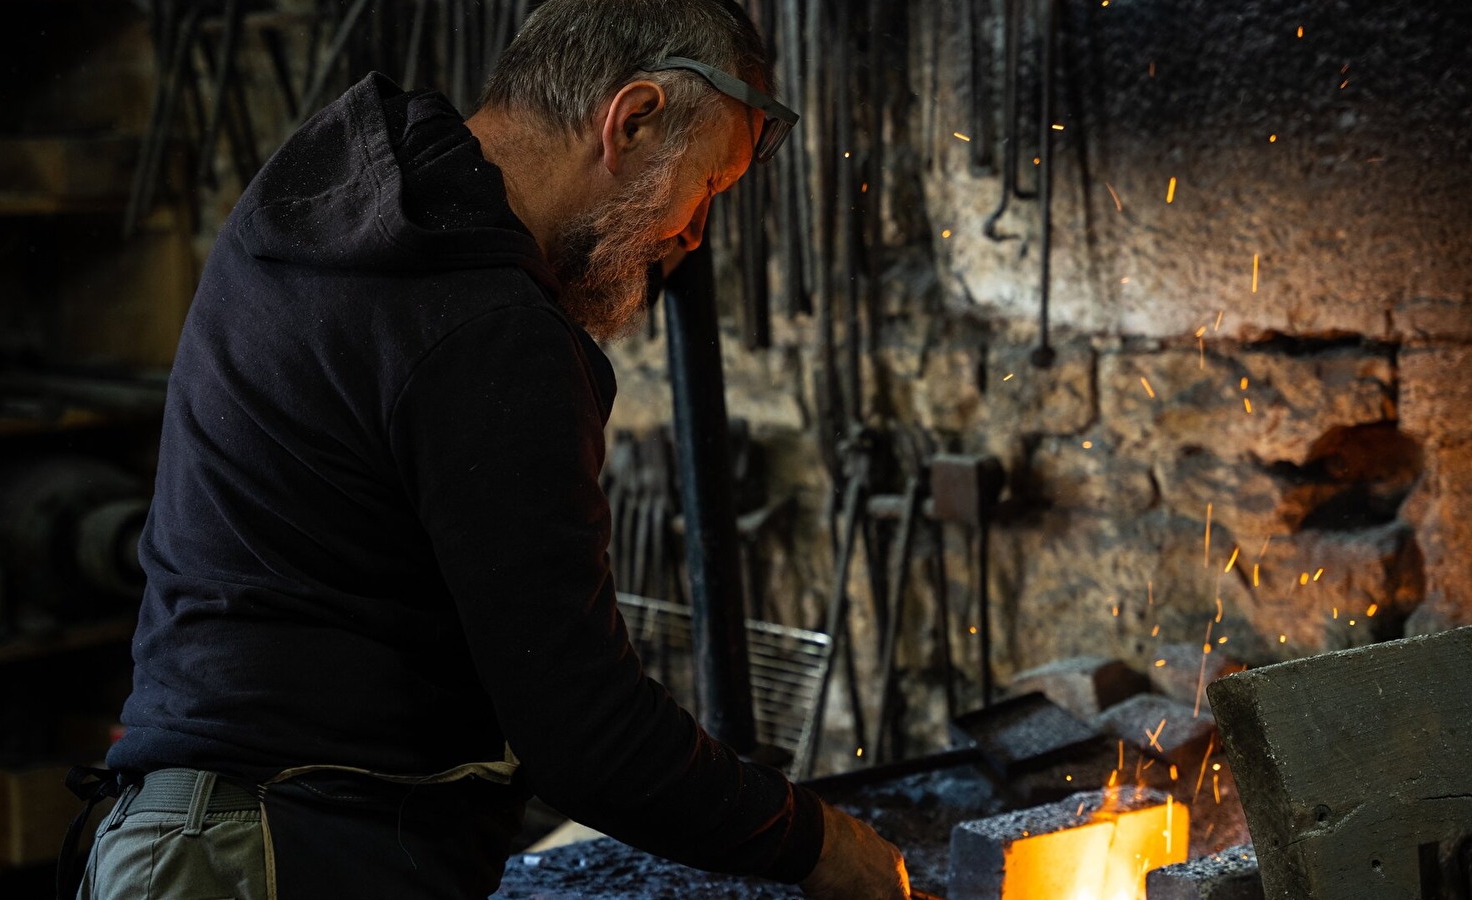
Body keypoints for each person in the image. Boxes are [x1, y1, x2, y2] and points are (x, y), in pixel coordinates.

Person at [66, 1, 910, 899]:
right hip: (277, 855)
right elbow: (585, 732)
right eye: (704, 189)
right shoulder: (485, 333)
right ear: (630, 120)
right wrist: (820, 844)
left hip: (205, 836)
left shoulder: (345, 199)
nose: (691, 237)